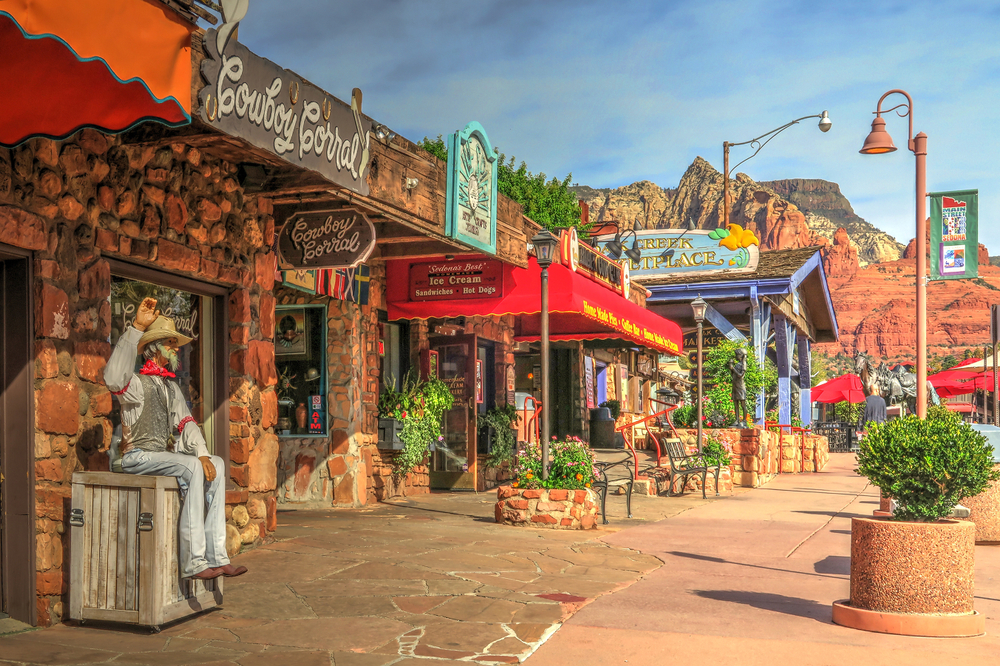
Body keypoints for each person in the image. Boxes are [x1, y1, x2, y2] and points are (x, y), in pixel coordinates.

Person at [104, 297, 247, 581]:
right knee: (191, 467)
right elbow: (113, 379)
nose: (175, 348)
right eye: (169, 343)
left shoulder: (170, 386)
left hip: (158, 456)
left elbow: (186, 423)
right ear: (154, 349)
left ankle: (217, 556)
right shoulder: (134, 383)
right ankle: (194, 562)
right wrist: (135, 329)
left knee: (215, 463)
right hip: (136, 456)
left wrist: (204, 453)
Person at [728, 348, 749, 426]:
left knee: (743, 404)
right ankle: (737, 420)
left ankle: (744, 420)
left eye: (737, 354)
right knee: (735, 404)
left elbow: (740, 375)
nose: (736, 356)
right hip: (735, 385)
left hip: (740, 386)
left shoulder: (743, 364)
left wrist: (733, 369)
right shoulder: (737, 364)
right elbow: (733, 375)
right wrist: (731, 369)